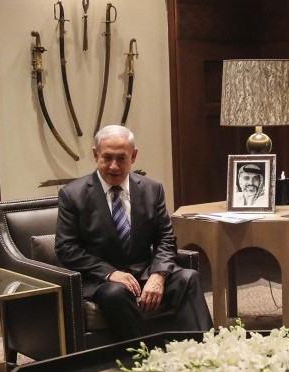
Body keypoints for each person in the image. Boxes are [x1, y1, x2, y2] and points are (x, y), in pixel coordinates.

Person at [55, 124, 213, 340]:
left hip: (146, 272)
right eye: (106, 158)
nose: (113, 166)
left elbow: (165, 239)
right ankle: (147, 357)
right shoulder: (73, 195)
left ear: (134, 156)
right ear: (95, 155)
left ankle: (204, 351)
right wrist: (110, 273)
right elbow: (66, 248)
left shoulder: (152, 189)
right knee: (116, 293)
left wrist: (159, 275)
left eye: (121, 158)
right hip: (104, 280)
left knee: (189, 277)